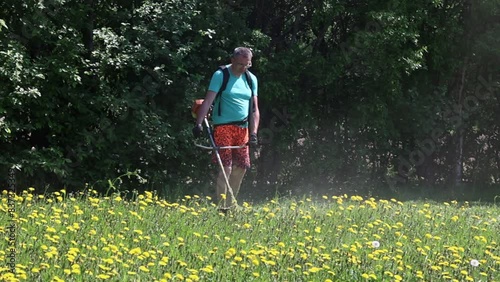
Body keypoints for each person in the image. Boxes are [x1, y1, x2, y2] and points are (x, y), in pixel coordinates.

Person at [192, 47, 260, 210]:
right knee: (226, 167)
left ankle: (230, 205)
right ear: (232, 60)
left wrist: (254, 133)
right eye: (240, 64)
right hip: (223, 127)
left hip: (242, 129)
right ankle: (221, 207)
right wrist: (199, 123)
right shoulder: (221, 75)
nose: (243, 68)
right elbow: (207, 101)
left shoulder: (251, 79)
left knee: (241, 168)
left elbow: (255, 109)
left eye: (246, 65)